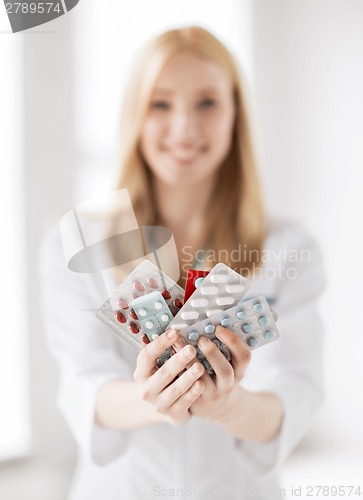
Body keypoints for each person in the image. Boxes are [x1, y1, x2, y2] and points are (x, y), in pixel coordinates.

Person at [40, 26, 325, 500]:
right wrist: (154, 400)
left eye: (208, 102)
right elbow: (84, 385)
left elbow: (295, 394)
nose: (185, 128)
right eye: (161, 103)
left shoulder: (289, 246)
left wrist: (227, 406)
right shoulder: (75, 242)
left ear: (236, 115)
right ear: (135, 115)